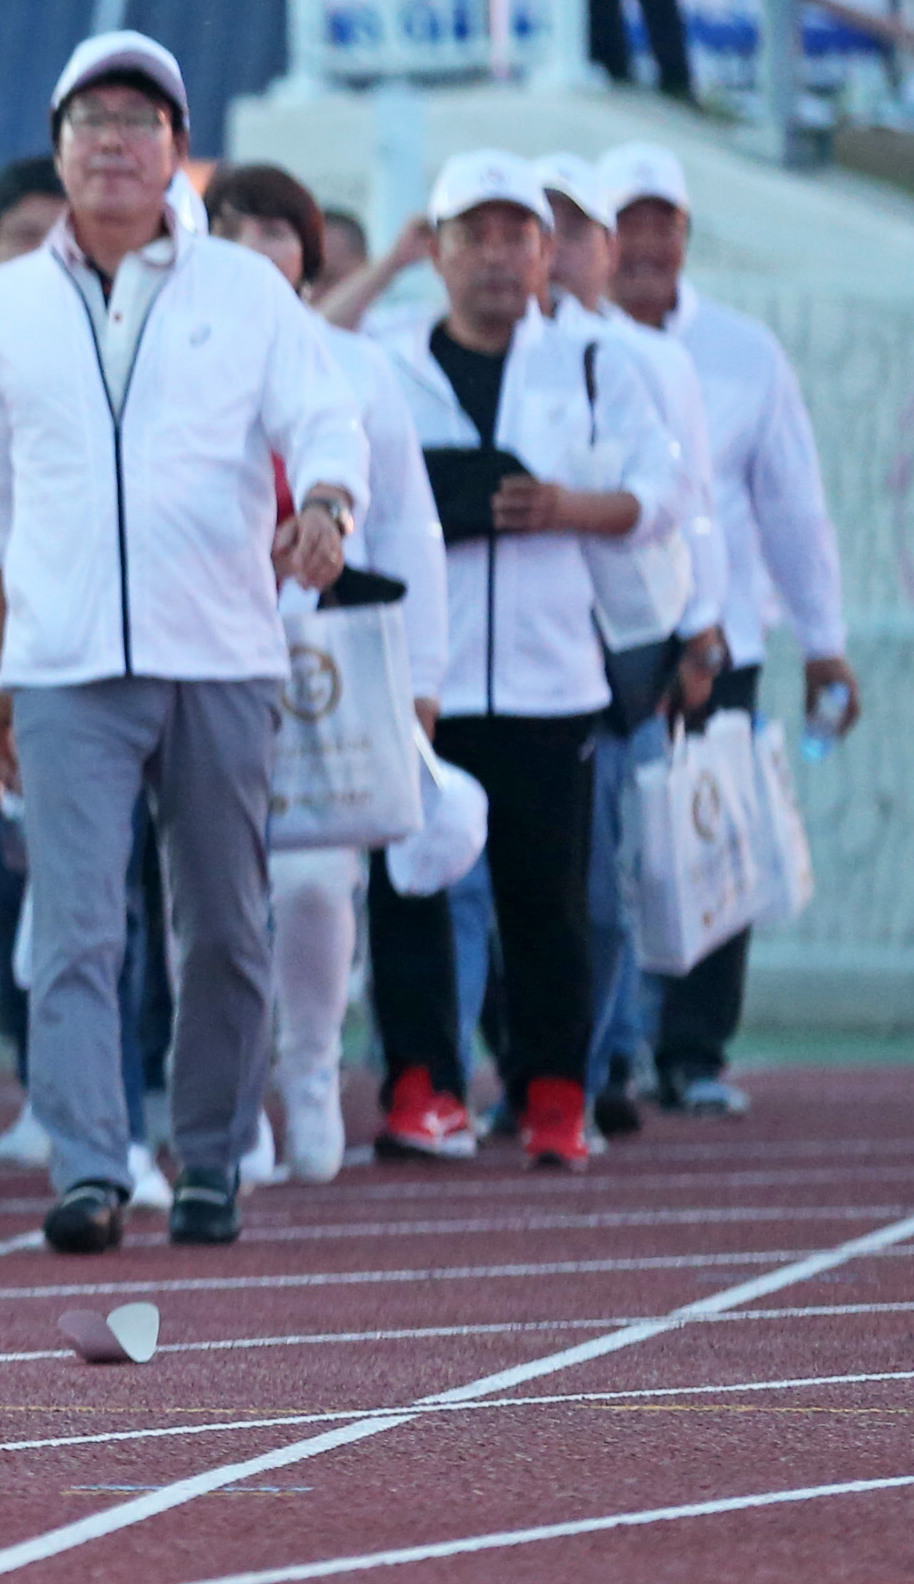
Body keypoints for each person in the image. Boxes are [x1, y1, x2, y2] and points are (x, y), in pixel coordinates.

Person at [0, 32, 366, 1255]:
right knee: (76, 926)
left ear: (180, 150)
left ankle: (212, 1155)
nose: (115, 143)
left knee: (228, 925)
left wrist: (330, 508)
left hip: (222, 654)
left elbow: (326, 418)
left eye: (141, 120)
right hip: (66, 666)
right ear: (59, 146)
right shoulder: (1, 307)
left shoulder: (245, 290)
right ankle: (89, 1165)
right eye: (91, 122)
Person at [363, 152, 678, 1175]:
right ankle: (422, 1088)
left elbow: (660, 497)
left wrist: (565, 510)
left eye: (516, 236)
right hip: (418, 676)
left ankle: (554, 1096)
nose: (496, 258)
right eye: (473, 236)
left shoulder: (596, 363)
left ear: (548, 253)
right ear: (436, 251)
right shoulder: (383, 359)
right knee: (410, 888)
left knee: (549, 903)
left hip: (552, 681)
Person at [198, 162, 446, 1185]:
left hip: (323, 664)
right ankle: (233, 1094)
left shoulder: (360, 368)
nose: (256, 246)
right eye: (233, 226)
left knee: (310, 881)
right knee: (213, 893)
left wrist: (421, 679)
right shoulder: (179, 360)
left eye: (277, 231)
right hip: (201, 653)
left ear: (311, 256)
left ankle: (308, 1071)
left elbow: (408, 529)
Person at [601, 140, 853, 1116]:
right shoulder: (561, 345)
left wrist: (824, 639)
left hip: (727, 643)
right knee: (605, 853)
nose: (647, 241)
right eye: (629, 220)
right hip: (604, 643)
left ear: (688, 235)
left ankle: (693, 1051)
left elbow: (793, 504)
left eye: (665, 221)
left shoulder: (746, 352)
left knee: (712, 843)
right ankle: (598, 1050)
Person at [529, 152, 722, 1141]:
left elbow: (692, 508)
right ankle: (537, 1066)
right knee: (511, 880)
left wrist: (702, 632)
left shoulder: (650, 363)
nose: (553, 253)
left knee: (617, 878)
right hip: (522, 654)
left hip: (631, 655)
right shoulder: (483, 352)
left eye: (573, 232)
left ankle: (601, 1054)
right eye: (539, 229)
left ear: (602, 252)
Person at [0, 153, 70, 1173]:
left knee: (78, 897)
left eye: (56, 236)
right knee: (2, 904)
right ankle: (46, 1090)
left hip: (75, 661)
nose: (43, 260)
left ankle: (85, 1099)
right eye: (21, 241)